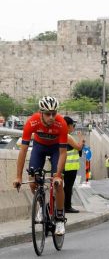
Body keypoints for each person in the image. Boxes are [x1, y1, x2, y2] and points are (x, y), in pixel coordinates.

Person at [13, 96, 68, 235]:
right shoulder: (32, 122)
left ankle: (60, 219)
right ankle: (42, 206)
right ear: (41, 112)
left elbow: (63, 153)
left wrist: (57, 175)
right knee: (33, 181)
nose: (51, 117)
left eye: (54, 113)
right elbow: (23, 150)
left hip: (56, 149)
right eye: (48, 114)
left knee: (58, 184)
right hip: (39, 147)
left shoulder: (61, 124)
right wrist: (18, 177)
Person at [63, 116, 85, 213]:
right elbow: (79, 148)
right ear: (68, 126)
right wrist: (81, 139)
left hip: (62, 165)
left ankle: (62, 206)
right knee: (68, 187)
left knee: (63, 187)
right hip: (69, 166)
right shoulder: (67, 136)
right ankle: (67, 206)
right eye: (73, 125)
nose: (73, 128)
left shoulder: (59, 135)